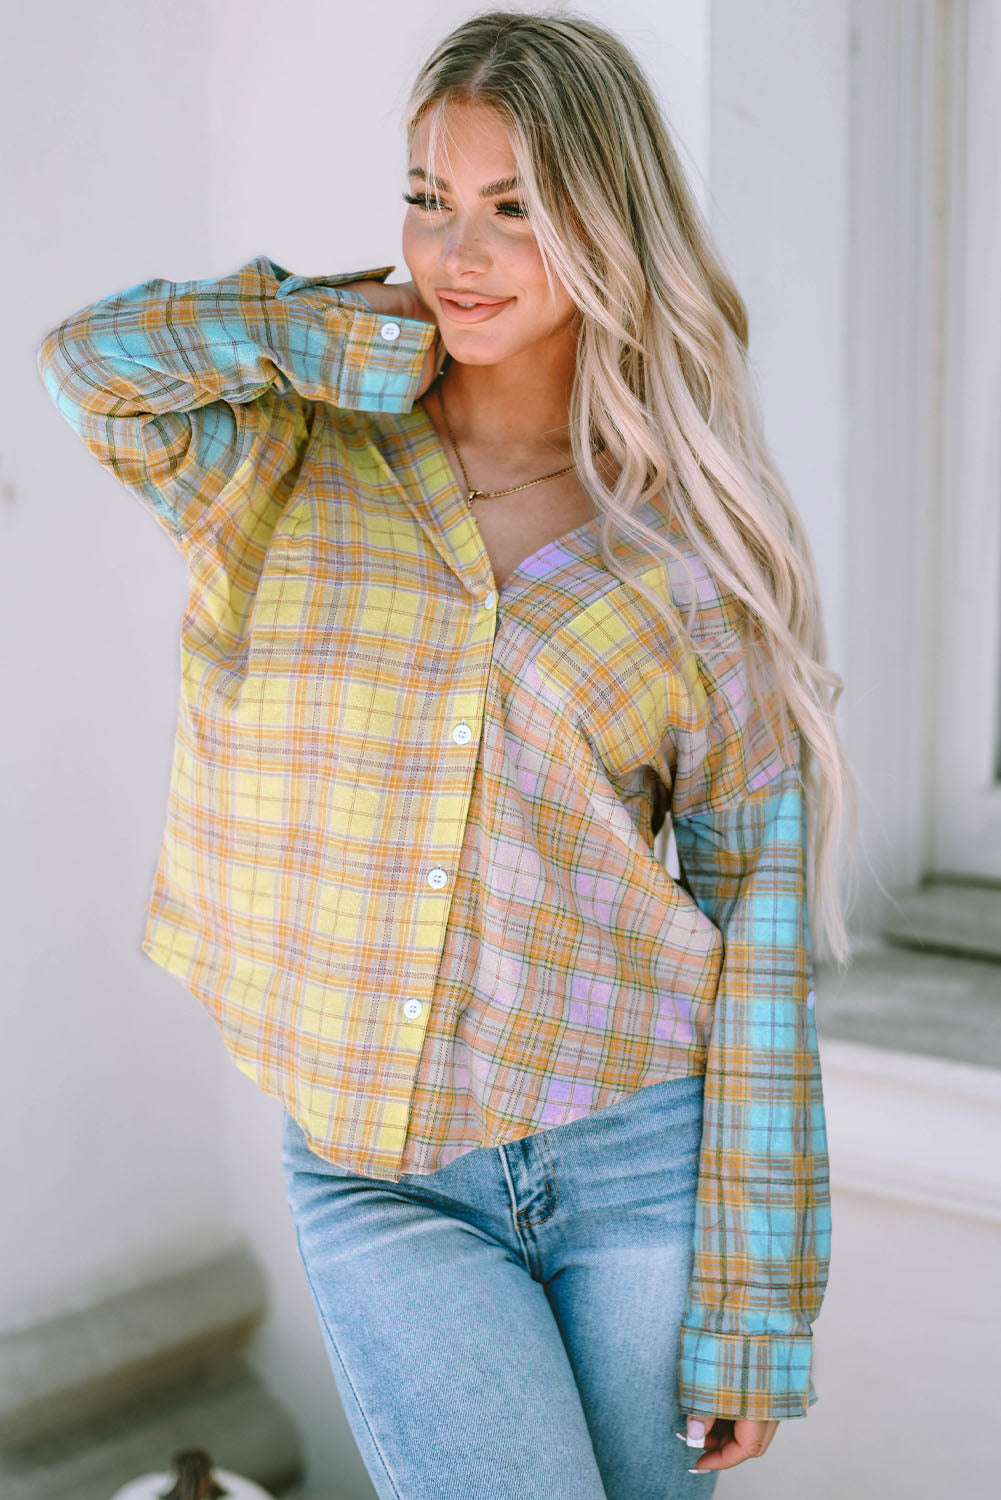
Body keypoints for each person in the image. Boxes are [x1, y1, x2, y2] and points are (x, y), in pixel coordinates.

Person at [36, 9, 858, 1499]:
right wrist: (313, 326)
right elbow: (89, 365)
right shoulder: (287, 453)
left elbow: (758, 942)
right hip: (379, 1176)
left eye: (512, 208)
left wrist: (755, 1304)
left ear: (606, 228)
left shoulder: (697, 561)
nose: (452, 253)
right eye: (427, 198)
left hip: (635, 1170)